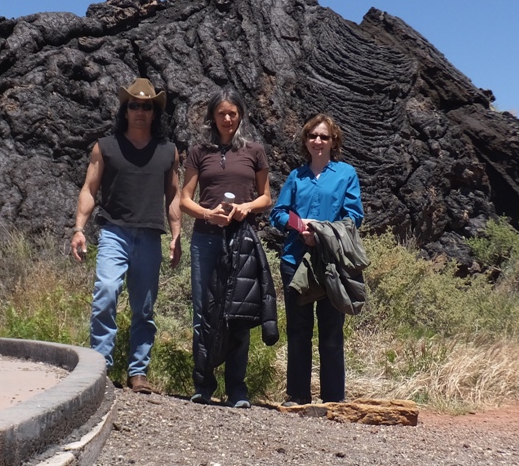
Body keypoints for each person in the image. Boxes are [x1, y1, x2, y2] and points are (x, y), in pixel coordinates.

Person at [71, 77, 182, 394]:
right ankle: (101, 368)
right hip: (114, 233)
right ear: (125, 109)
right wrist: (79, 228)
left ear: (154, 112)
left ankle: (138, 373)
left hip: (149, 236)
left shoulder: (167, 152)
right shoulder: (105, 147)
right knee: (105, 293)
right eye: (134, 105)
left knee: (144, 308)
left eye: (147, 106)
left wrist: (176, 236)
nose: (140, 111)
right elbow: (90, 189)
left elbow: (173, 196)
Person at [180, 87, 275, 408]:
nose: (227, 118)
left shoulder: (254, 151)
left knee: (237, 314)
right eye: (221, 113)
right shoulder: (199, 151)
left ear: (240, 116)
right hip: (206, 238)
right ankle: (203, 385)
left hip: (241, 239)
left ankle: (237, 389)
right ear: (213, 116)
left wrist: (247, 208)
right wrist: (208, 213)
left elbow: (266, 198)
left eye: (232, 113)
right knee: (203, 311)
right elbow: (184, 200)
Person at [269, 114, 364, 405]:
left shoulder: (346, 174)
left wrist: (321, 232)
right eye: (313, 136)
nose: (318, 141)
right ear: (305, 141)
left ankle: (333, 399)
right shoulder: (296, 176)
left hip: (331, 263)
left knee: (331, 332)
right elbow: (278, 213)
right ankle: (297, 396)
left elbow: (354, 217)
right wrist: (300, 227)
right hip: (295, 260)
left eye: (324, 136)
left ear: (334, 140)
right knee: (298, 330)